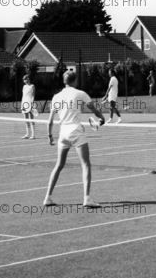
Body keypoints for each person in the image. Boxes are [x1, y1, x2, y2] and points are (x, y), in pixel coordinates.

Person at [44, 71, 106, 207]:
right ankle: (87, 198)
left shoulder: (56, 97)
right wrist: (102, 118)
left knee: (58, 165)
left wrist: (49, 136)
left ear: (64, 81)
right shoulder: (80, 93)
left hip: (63, 133)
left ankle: (47, 197)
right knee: (85, 164)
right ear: (75, 81)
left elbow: (50, 121)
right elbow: (93, 109)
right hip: (76, 132)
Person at [21, 74, 36, 139]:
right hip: (24, 104)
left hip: (30, 103)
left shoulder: (32, 86)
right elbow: (23, 96)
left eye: (26, 79)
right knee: (26, 120)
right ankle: (27, 134)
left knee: (31, 120)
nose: (25, 80)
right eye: (24, 79)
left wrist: (32, 103)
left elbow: (33, 95)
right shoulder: (24, 86)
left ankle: (33, 135)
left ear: (28, 79)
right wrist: (22, 104)